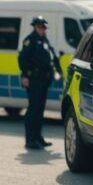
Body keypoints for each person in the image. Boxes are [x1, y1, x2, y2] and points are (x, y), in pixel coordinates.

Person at [18, 16, 62, 150]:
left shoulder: (44, 41)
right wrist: (25, 76)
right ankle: (30, 140)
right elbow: (22, 59)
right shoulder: (30, 40)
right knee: (33, 109)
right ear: (35, 27)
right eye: (41, 27)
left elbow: (52, 57)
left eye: (44, 27)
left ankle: (38, 138)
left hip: (43, 80)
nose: (43, 29)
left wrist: (59, 72)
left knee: (40, 110)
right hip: (33, 80)